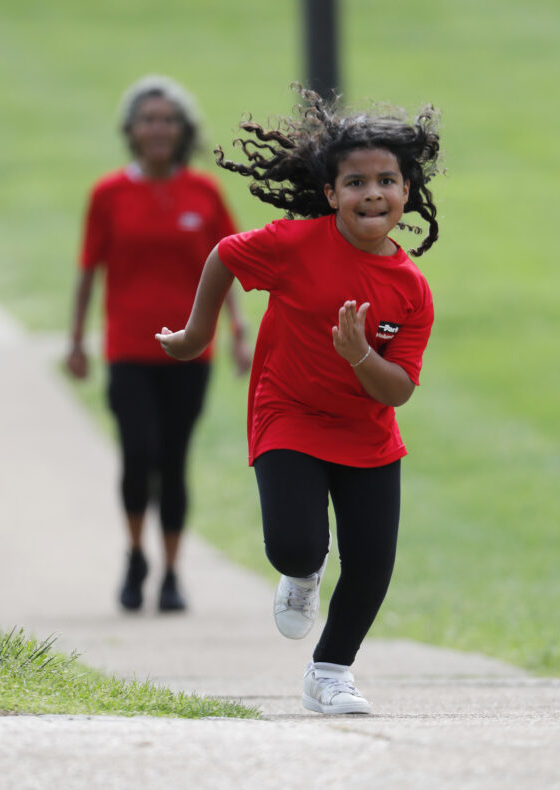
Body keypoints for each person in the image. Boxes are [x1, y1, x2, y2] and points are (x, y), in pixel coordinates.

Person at [156, 85, 441, 713]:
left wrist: (360, 356)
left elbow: (399, 389)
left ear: (406, 191)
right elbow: (225, 255)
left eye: (387, 181)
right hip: (289, 411)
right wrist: (197, 334)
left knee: (371, 564)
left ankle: (330, 673)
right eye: (356, 182)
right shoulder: (294, 245)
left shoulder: (411, 290)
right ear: (331, 194)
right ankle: (303, 571)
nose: (372, 193)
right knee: (294, 546)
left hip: (367, 433)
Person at [66, 75, 250, 613]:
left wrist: (239, 332)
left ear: (182, 130)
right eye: (148, 120)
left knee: (173, 459)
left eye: (168, 120)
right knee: (137, 453)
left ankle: (171, 572)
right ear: (131, 130)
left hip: (192, 350)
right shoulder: (109, 194)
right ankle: (134, 556)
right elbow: (88, 271)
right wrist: (76, 341)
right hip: (128, 348)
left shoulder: (204, 193)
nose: (158, 129)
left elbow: (230, 264)